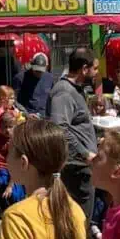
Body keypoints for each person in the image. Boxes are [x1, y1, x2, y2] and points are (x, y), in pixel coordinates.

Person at [0, 119, 88, 239]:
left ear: (23, 163)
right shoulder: (75, 210)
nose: (6, 159)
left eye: (9, 153)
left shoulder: (17, 216)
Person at [46, 47, 98, 220]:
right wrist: (84, 153)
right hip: (76, 167)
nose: (96, 73)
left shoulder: (75, 89)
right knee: (79, 220)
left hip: (82, 165)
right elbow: (59, 127)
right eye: (95, 69)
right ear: (84, 68)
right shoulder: (64, 91)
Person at [0, 112, 26, 210]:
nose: (7, 130)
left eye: (10, 127)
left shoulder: (15, 142)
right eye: (4, 127)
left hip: (10, 172)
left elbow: (16, 167)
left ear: (15, 126)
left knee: (14, 194)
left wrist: (10, 186)